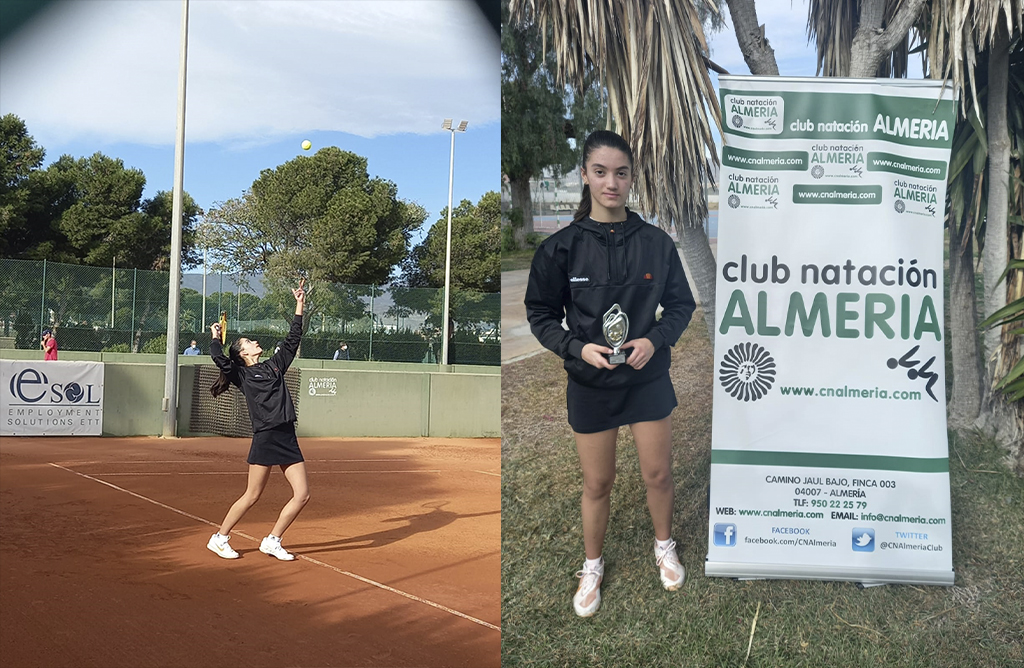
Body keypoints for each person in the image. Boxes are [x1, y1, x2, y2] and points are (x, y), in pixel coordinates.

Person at [524, 130, 696, 617]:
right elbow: (540, 315)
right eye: (600, 172)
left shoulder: (656, 244)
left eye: (621, 173)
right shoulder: (560, 249)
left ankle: (664, 546)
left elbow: (681, 305)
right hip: (591, 386)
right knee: (598, 483)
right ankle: (593, 564)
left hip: (646, 382)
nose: (611, 183)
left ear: (631, 177)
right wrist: (577, 348)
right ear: (584, 176)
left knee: (658, 474)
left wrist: (654, 340)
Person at [205, 279, 311, 562]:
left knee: (302, 495)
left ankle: (272, 540)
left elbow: (292, 339)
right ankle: (220, 537)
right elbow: (218, 357)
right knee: (252, 495)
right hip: (265, 436)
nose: (255, 343)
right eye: (250, 342)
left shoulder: (275, 365)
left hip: (287, 435)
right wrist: (216, 337)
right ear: (243, 353)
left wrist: (299, 303)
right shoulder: (241, 375)